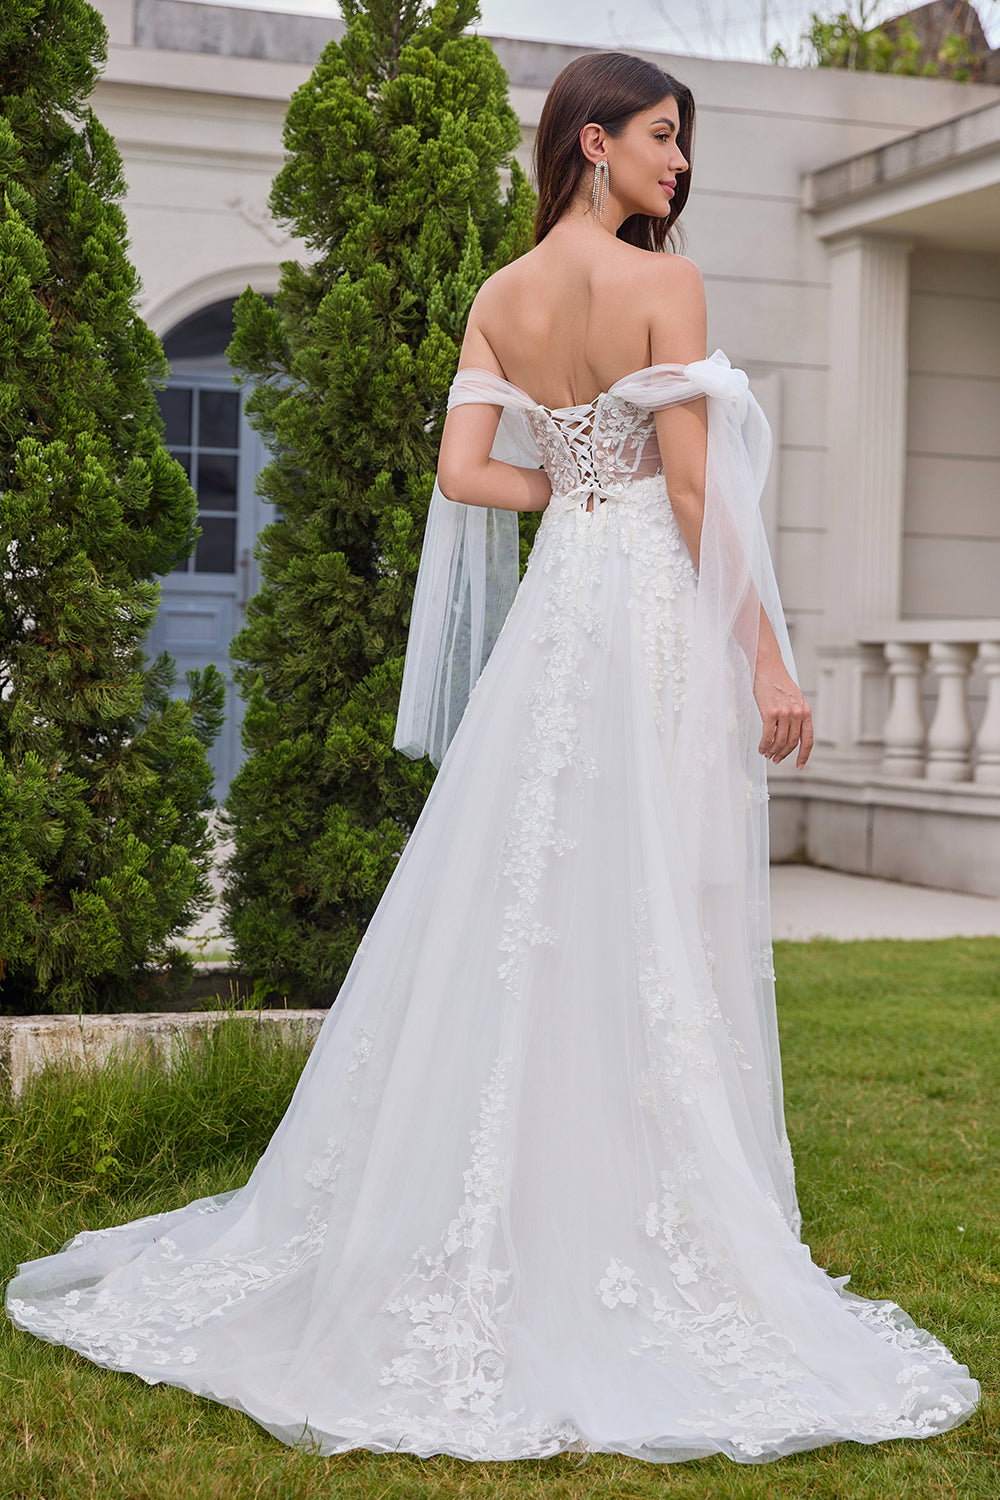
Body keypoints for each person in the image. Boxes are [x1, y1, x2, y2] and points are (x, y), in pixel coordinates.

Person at [6, 50, 979, 1465]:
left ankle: (514, 1189)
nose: (679, 164)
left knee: (535, 887)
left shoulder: (500, 295)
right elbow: (694, 490)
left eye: (685, 143)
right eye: (663, 136)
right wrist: (766, 655)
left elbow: (462, 473)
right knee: (654, 895)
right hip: (647, 611)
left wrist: (572, 485)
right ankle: (632, 1195)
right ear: (593, 141)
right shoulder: (667, 284)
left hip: (563, 603)